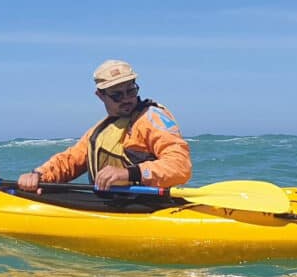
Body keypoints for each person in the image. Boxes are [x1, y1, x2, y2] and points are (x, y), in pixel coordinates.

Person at [17, 59, 191, 193]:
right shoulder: (102, 129)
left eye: (131, 91)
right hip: (111, 204)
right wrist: (38, 176)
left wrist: (130, 173)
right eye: (117, 95)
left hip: (147, 205)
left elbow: (180, 166)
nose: (126, 99)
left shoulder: (152, 118)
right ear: (101, 95)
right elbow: (69, 161)